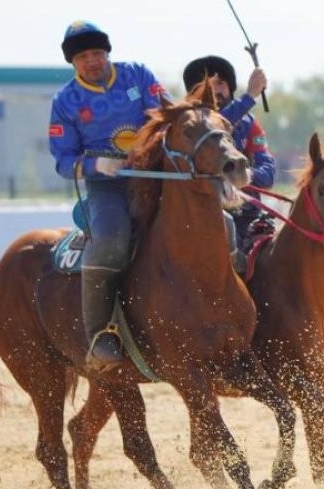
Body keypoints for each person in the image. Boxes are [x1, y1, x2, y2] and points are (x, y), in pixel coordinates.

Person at [49, 20, 169, 370]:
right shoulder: (65, 101)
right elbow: (62, 162)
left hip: (155, 174)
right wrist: (97, 164)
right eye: (84, 56)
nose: (93, 61)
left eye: (98, 52)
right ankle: (100, 334)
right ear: (73, 62)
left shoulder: (139, 75)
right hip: (107, 187)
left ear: (107, 52)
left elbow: (162, 116)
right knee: (111, 239)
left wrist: (148, 151)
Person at [182, 55, 274, 271]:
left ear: (230, 87)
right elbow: (213, 123)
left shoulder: (250, 124)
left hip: (249, 217)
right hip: (202, 215)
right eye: (207, 85)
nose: (215, 90)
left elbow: (268, 173)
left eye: (221, 83)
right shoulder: (188, 124)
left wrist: (241, 175)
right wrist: (250, 96)